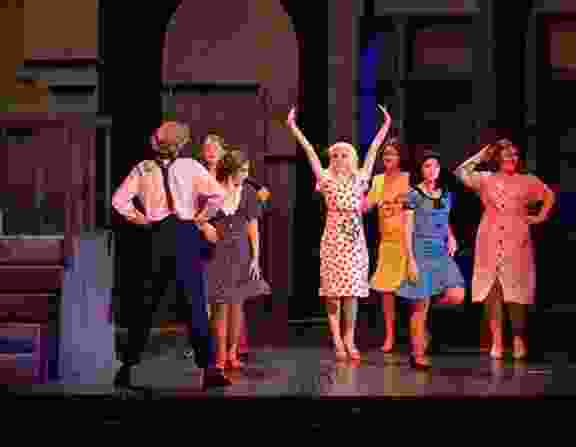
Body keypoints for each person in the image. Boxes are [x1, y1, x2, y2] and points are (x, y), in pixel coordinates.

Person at [111, 121, 233, 389]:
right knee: (188, 302)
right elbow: (218, 195)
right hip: (178, 234)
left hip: (161, 235)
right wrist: (200, 220)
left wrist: (140, 219)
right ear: (181, 146)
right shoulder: (181, 167)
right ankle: (208, 369)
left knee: (149, 302)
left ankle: (128, 367)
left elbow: (119, 201)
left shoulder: (147, 168)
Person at [287, 104, 391, 361]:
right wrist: (293, 127)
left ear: (352, 158)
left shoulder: (361, 178)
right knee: (333, 292)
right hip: (333, 238)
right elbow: (309, 151)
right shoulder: (325, 178)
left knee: (352, 292)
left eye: (345, 155)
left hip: (355, 239)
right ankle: (336, 340)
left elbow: (375, 149)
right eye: (336, 155)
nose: (340, 159)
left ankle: (349, 338)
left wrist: (385, 125)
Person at [454, 139, 555, 359]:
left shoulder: (527, 180)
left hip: (516, 238)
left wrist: (540, 216)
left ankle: (518, 338)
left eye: (515, 155)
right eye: (507, 155)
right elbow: (461, 172)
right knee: (493, 292)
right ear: (498, 158)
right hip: (489, 238)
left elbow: (549, 195)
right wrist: (484, 154)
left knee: (515, 291)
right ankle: (497, 341)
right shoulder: (486, 179)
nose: (511, 158)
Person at [195, 144, 271, 369]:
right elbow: (197, 217)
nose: (246, 175)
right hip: (217, 253)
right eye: (243, 170)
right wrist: (205, 226)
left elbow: (253, 226)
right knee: (220, 306)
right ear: (231, 170)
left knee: (237, 305)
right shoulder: (212, 190)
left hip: (240, 252)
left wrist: (256, 257)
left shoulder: (247, 192)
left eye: (247, 170)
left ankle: (231, 354)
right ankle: (218, 357)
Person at [396, 151, 466, 369]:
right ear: (421, 169)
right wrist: (410, 260)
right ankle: (417, 354)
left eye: (435, 166)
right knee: (419, 306)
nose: (432, 170)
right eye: (427, 166)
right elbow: (406, 229)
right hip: (420, 250)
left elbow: (444, 220)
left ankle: (427, 314)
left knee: (457, 295)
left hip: (441, 251)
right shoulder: (413, 194)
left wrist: (452, 237)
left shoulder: (444, 194)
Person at [364, 138, 411, 353]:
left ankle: (418, 333)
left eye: (392, 153)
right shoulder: (378, 180)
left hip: (408, 241)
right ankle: (390, 335)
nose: (388, 158)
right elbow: (366, 205)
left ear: (401, 157)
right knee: (386, 292)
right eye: (385, 154)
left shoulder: (408, 179)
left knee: (412, 290)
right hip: (388, 242)